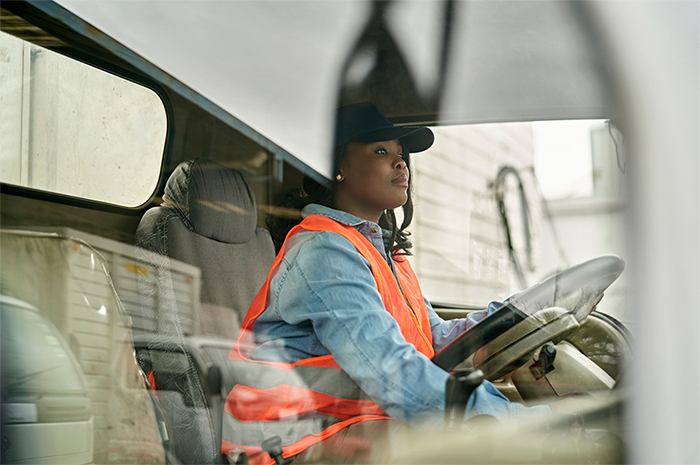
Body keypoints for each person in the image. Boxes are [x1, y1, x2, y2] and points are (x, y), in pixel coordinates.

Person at [221, 102, 547, 464]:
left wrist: (516, 314)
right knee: (477, 448)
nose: (400, 162)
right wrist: (512, 420)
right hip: (289, 440)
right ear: (338, 168)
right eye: (381, 151)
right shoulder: (324, 250)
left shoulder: (387, 255)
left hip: (345, 421)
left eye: (400, 153)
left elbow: (433, 340)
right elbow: (388, 368)